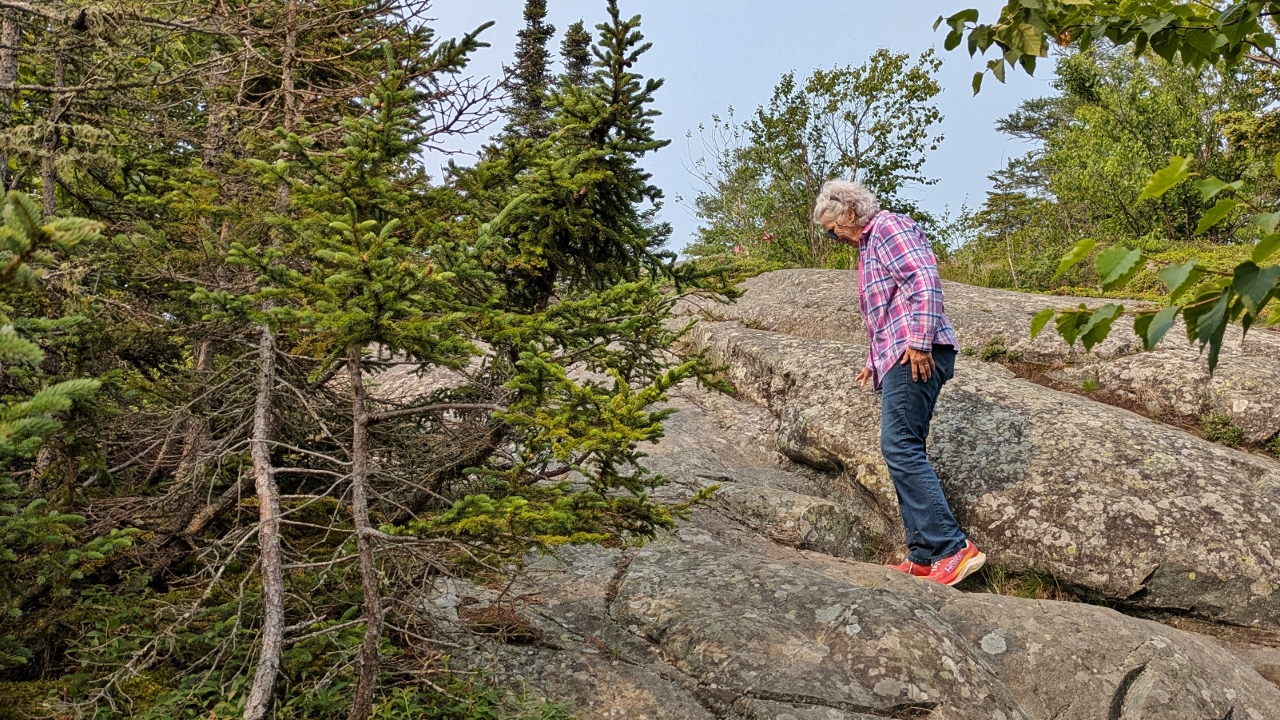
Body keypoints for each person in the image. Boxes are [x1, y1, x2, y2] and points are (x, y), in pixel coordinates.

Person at [811, 179, 985, 587]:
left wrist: (920, 344)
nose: (832, 237)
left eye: (831, 228)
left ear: (849, 213)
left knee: (899, 446)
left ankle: (952, 548)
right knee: (902, 447)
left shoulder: (887, 228)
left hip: (917, 353)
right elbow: (886, 311)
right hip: (900, 355)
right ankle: (924, 556)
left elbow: (924, 280)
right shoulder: (867, 246)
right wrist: (875, 361)